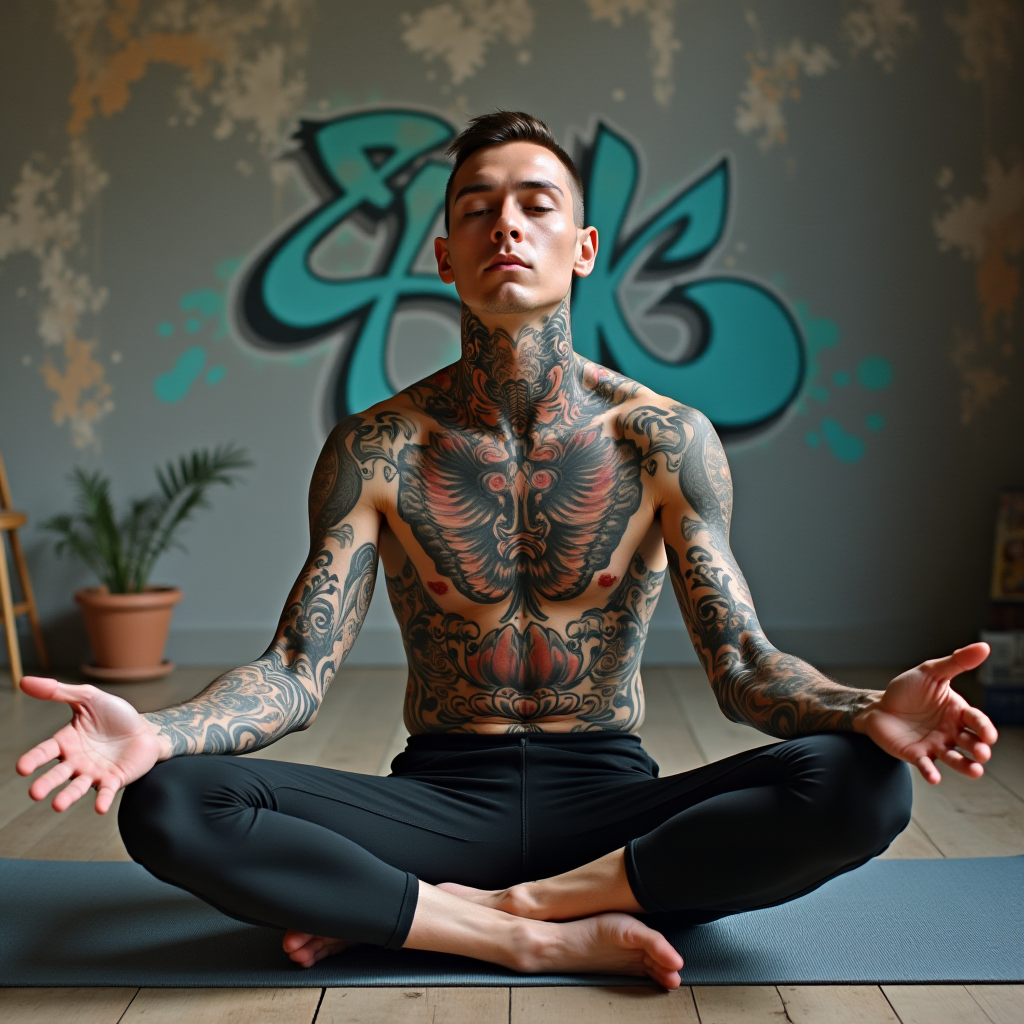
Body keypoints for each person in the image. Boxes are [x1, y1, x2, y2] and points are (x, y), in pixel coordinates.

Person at [17, 111, 997, 990]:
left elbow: (741, 666)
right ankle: (523, 936)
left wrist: (869, 710)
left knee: (865, 779)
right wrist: (162, 733)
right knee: (168, 802)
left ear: (583, 246)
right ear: (445, 256)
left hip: (612, 807)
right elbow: (295, 671)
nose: (507, 224)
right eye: (478, 208)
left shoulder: (662, 438)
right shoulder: (378, 446)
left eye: (536, 204)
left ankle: (461, 910)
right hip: (438, 800)